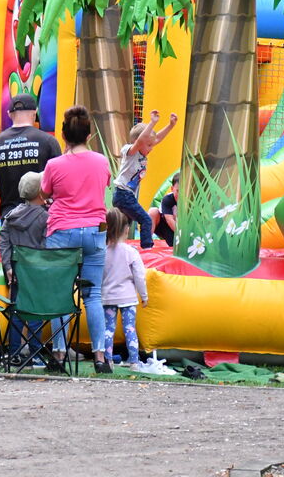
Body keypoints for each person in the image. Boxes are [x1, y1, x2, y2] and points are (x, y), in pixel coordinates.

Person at [40, 105, 112, 373]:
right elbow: (104, 185)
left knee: (61, 293)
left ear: (64, 135)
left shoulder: (54, 165)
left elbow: (45, 191)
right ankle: (100, 357)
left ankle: (59, 354)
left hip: (62, 232)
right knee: (93, 294)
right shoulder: (101, 161)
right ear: (89, 134)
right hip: (94, 231)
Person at [0, 170, 50, 368]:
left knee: (16, 312)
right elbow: (46, 244)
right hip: (36, 273)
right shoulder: (45, 217)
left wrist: (8, 267)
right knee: (35, 313)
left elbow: (3, 243)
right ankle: (35, 352)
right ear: (41, 193)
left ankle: (14, 352)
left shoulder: (10, 217)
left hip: (17, 272)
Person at [0, 93, 61, 218]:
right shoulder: (48, 141)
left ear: (9, 114)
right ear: (35, 112)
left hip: (9, 217)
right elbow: (58, 178)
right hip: (41, 217)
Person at [111, 110, 178, 249]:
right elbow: (142, 140)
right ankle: (147, 248)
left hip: (126, 195)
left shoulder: (142, 150)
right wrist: (152, 122)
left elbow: (156, 138)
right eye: (148, 145)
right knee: (146, 220)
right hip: (123, 194)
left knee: (124, 224)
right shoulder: (130, 151)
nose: (151, 148)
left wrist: (170, 125)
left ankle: (117, 246)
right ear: (138, 142)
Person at [101, 208, 148, 370]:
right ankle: (134, 361)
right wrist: (144, 296)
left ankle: (107, 360)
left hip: (108, 297)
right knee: (129, 329)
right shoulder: (131, 252)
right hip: (128, 298)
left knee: (108, 329)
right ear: (126, 230)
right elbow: (139, 276)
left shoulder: (102, 252)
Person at [148, 172, 179, 248]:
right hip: (166, 226)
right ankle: (147, 242)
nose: (180, 194)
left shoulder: (190, 200)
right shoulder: (168, 199)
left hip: (181, 227)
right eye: (177, 191)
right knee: (153, 211)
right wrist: (182, 235)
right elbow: (169, 220)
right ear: (172, 189)